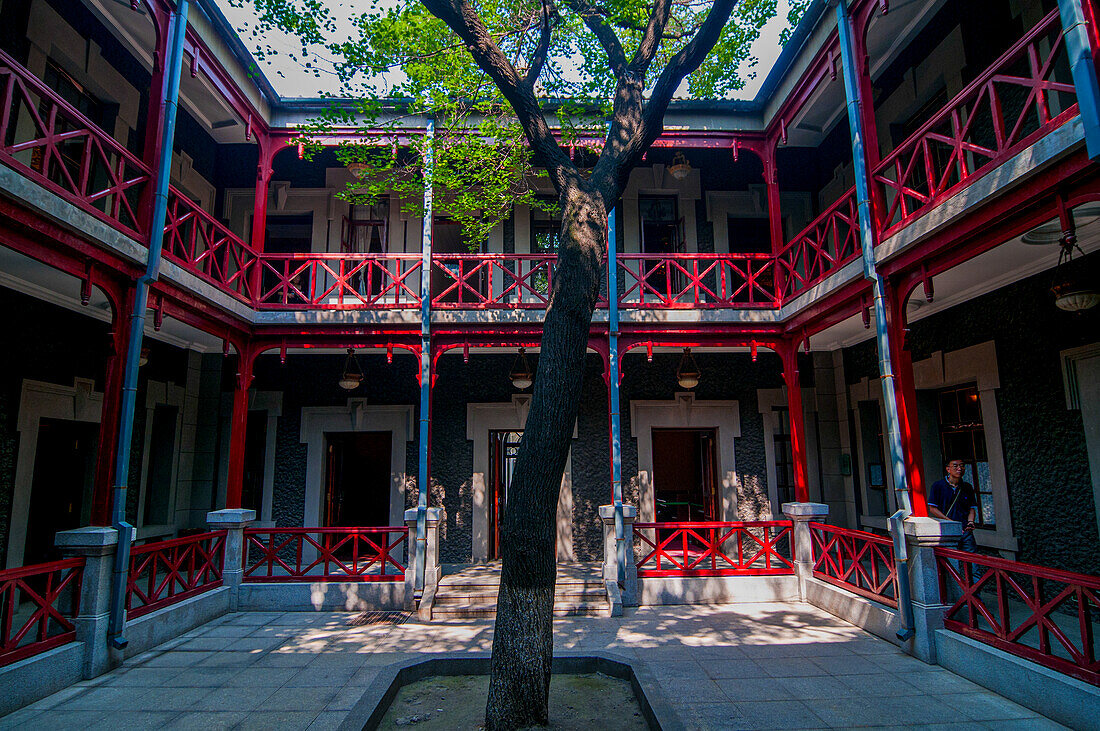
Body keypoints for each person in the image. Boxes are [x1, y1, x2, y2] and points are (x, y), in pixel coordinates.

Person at [927, 459, 977, 553]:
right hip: (947, 528)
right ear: (948, 469)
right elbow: (933, 509)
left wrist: (971, 522)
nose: (959, 468)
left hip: (965, 529)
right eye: (955, 466)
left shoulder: (967, 487)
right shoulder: (938, 486)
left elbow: (972, 507)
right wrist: (950, 522)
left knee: (972, 559)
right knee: (951, 559)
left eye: (962, 466)